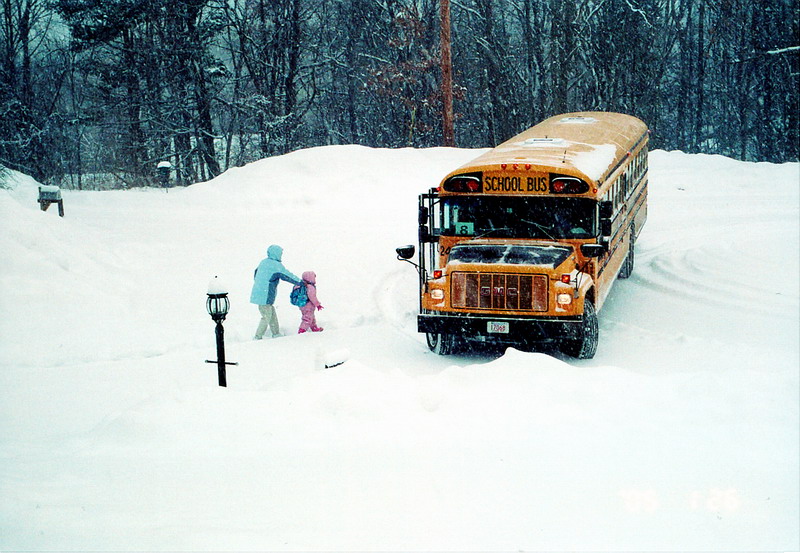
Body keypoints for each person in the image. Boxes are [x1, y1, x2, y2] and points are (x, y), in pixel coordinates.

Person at [250, 245, 301, 339]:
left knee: (271, 313)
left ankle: (276, 333)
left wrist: (260, 285)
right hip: (265, 295)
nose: (281, 255)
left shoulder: (264, 262)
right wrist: (300, 282)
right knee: (266, 316)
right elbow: (287, 275)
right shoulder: (275, 265)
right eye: (280, 253)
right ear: (276, 253)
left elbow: (256, 273)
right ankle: (257, 336)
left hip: (259, 292)